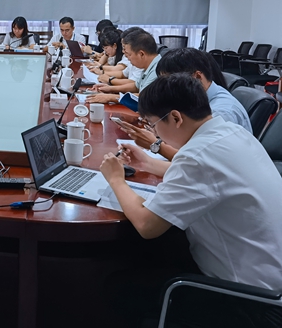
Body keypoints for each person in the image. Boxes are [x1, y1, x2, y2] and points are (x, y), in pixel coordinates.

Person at [100, 74, 282, 326]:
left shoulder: (198, 156)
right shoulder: (231, 133)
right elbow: (208, 179)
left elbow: (146, 225)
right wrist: (148, 163)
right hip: (271, 279)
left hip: (249, 300)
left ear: (176, 118)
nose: (154, 133)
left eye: (153, 125)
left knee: (119, 286)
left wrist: (116, 180)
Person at [114, 48, 253, 160]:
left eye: (171, 83)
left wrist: (155, 145)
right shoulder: (197, 102)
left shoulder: (221, 114)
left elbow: (198, 161)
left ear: (197, 77)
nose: (166, 91)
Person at [87, 27, 159, 104]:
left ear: (141, 54)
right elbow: (136, 86)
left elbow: (144, 97)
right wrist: (110, 88)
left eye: (128, 54)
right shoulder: (148, 65)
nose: (126, 57)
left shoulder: (158, 70)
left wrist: (110, 97)